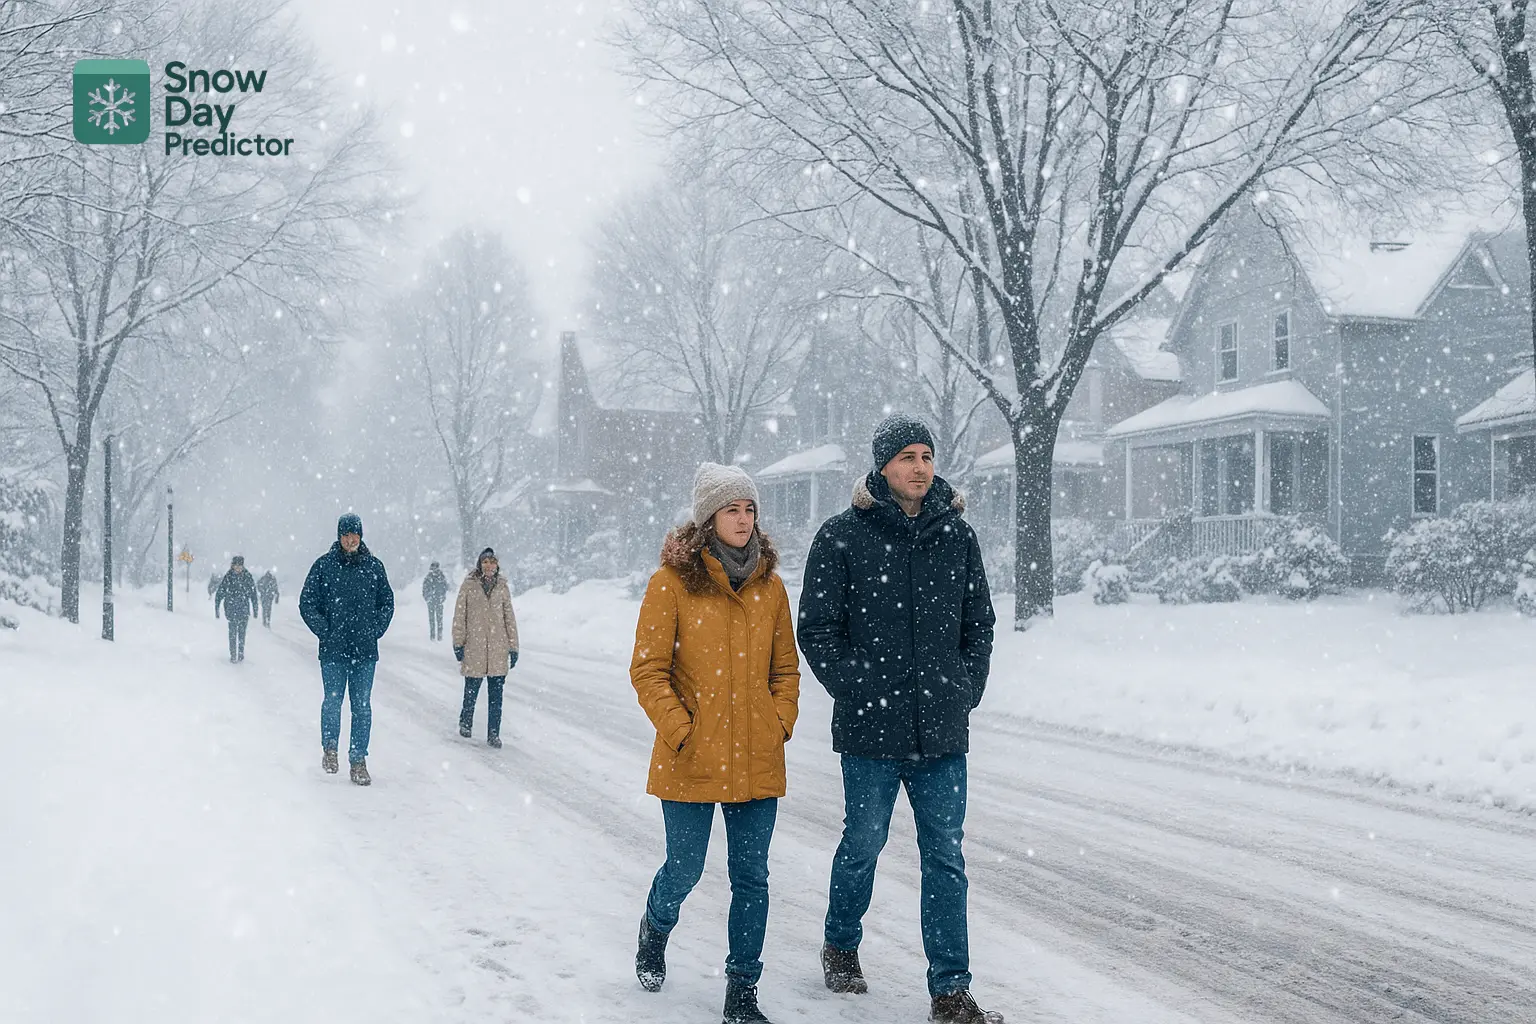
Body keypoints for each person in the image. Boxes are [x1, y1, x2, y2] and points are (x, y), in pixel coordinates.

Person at [797, 414, 1001, 1024]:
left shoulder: (957, 538)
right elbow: (817, 629)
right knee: (863, 845)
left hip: (941, 730)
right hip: (870, 730)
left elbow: (979, 624)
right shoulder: (843, 536)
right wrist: (856, 689)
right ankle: (841, 942)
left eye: (927, 456)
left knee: (945, 856)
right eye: (908, 456)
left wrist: (964, 689)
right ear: (883, 466)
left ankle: (950, 990)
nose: (921, 467)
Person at [631, 463, 800, 1024]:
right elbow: (649, 671)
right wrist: (683, 731)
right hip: (692, 758)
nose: (744, 519)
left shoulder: (771, 586)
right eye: (732, 509)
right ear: (708, 518)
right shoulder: (671, 582)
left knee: (752, 879)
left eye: (749, 509)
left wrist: (779, 722)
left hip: (756, 757)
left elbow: (785, 670)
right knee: (685, 868)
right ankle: (655, 928)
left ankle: (742, 989)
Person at [299, 513, 395, 786]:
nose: (351, 539)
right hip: (333, 651)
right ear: (339, 536)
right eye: (346, 534)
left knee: (362, 707)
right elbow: (307, 603)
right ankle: (330, 748)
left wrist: (375, 629)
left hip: (364, 651)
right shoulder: (323, 567)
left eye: (355, 534)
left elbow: (387, 603)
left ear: (361, 536)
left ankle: (358, 760)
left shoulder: (374, 568)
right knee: (332, 702)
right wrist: (324, 630)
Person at [451, 548, 519, 748]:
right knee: (472, 688)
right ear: (480, 564)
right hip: (475, 646)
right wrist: (458, 642)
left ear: (496, 565)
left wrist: (513, 646)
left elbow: (509, 618)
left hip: (498, 647)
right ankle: (466, 720)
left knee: (496, 694)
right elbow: (459, 616)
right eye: (485, 562)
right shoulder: (469, 585)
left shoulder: (502, 587)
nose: (489, 566)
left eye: (492, 562)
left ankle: (493, 733)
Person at [214, 555, 259, 663]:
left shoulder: (247, 577)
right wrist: (217, 608)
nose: (238, 568)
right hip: (231, 610)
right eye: (236, 566)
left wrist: (255, 609)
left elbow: (253, 594)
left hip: (243, 610)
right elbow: (220, 592)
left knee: (242, 633)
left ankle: (240, 653)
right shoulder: (228, 577)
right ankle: (233, 654)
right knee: (233, 633)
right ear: (233, 566)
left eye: (240, 566)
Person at [422, 561, 449, 641]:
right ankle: (433, 635)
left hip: (437, 600)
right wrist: (427, 597)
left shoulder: (439, 576)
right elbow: (424, 589)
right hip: (433, 600)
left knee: (438, 619)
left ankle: (438, 635)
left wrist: (442, 597)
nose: (434, 568)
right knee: (433, 619)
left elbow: (445, 588)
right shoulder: (430, 577)